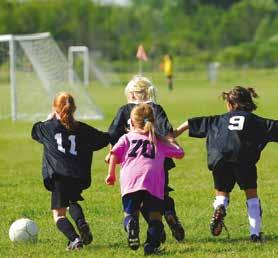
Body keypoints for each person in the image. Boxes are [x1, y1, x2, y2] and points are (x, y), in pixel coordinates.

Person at [175, 86, 278, 242]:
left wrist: (175, 133)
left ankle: (220, 207)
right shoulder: (256, 121)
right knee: (251, 196)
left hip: (219, 158)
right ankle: (255, 234)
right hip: (243, 159)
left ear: (230, 104)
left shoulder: (217, 119)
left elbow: (191, 122)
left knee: (222, 192)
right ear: (249, 103)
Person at [107, 75, 185, 242]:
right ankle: (168, 214)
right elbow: (167, 132)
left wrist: (111, 153)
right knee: (160, 193)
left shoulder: (124, 109)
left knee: (138, 197)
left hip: (133, 162)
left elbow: (113, 135)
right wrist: (174, 144)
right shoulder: (156, 108)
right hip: (158, 159)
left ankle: (149, 228)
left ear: (133, 94)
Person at [31, 92, 110, 250]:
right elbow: (104, 138)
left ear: (55, 108)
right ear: (74, 108)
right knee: (72, 202)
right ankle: (82, 224)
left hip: (59, 177)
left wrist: (50, 119)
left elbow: (35, 132)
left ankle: (74, 239)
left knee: (59, 215)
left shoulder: (46, 128)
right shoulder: (82, 129)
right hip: (78, 175)